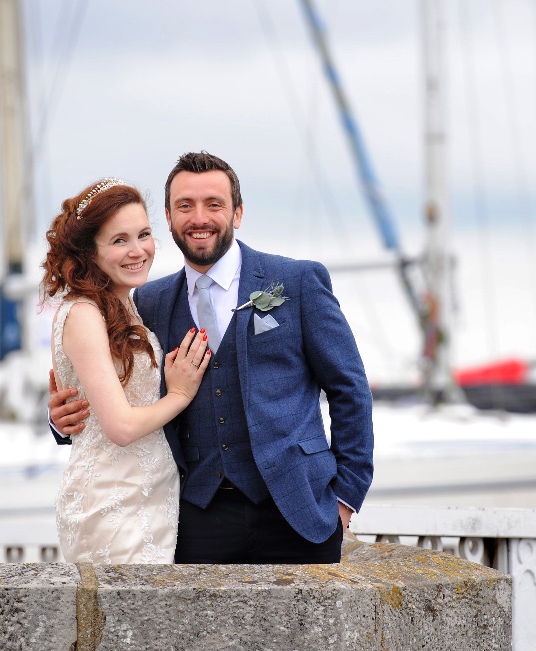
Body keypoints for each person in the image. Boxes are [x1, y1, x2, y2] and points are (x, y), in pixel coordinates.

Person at [49, 151, 374, 564]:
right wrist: (61, 419)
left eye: (214, 204)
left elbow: (350, 390)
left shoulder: (297, 282)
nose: (199, 218)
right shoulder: (147, 302)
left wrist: (345, 497)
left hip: (299, 511)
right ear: (169, 218)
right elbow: (116, 391)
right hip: (194, 519)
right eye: (185, 206)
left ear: (237, 213)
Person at [40, 178, 210, 564]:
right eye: (120, 240)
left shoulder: (131, 303)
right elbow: (119, 427)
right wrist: (180, 394)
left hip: (155, 498)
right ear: (89, 251)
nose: (138, 251)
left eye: (144, 235)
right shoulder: (83, 314)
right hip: (112, 506)